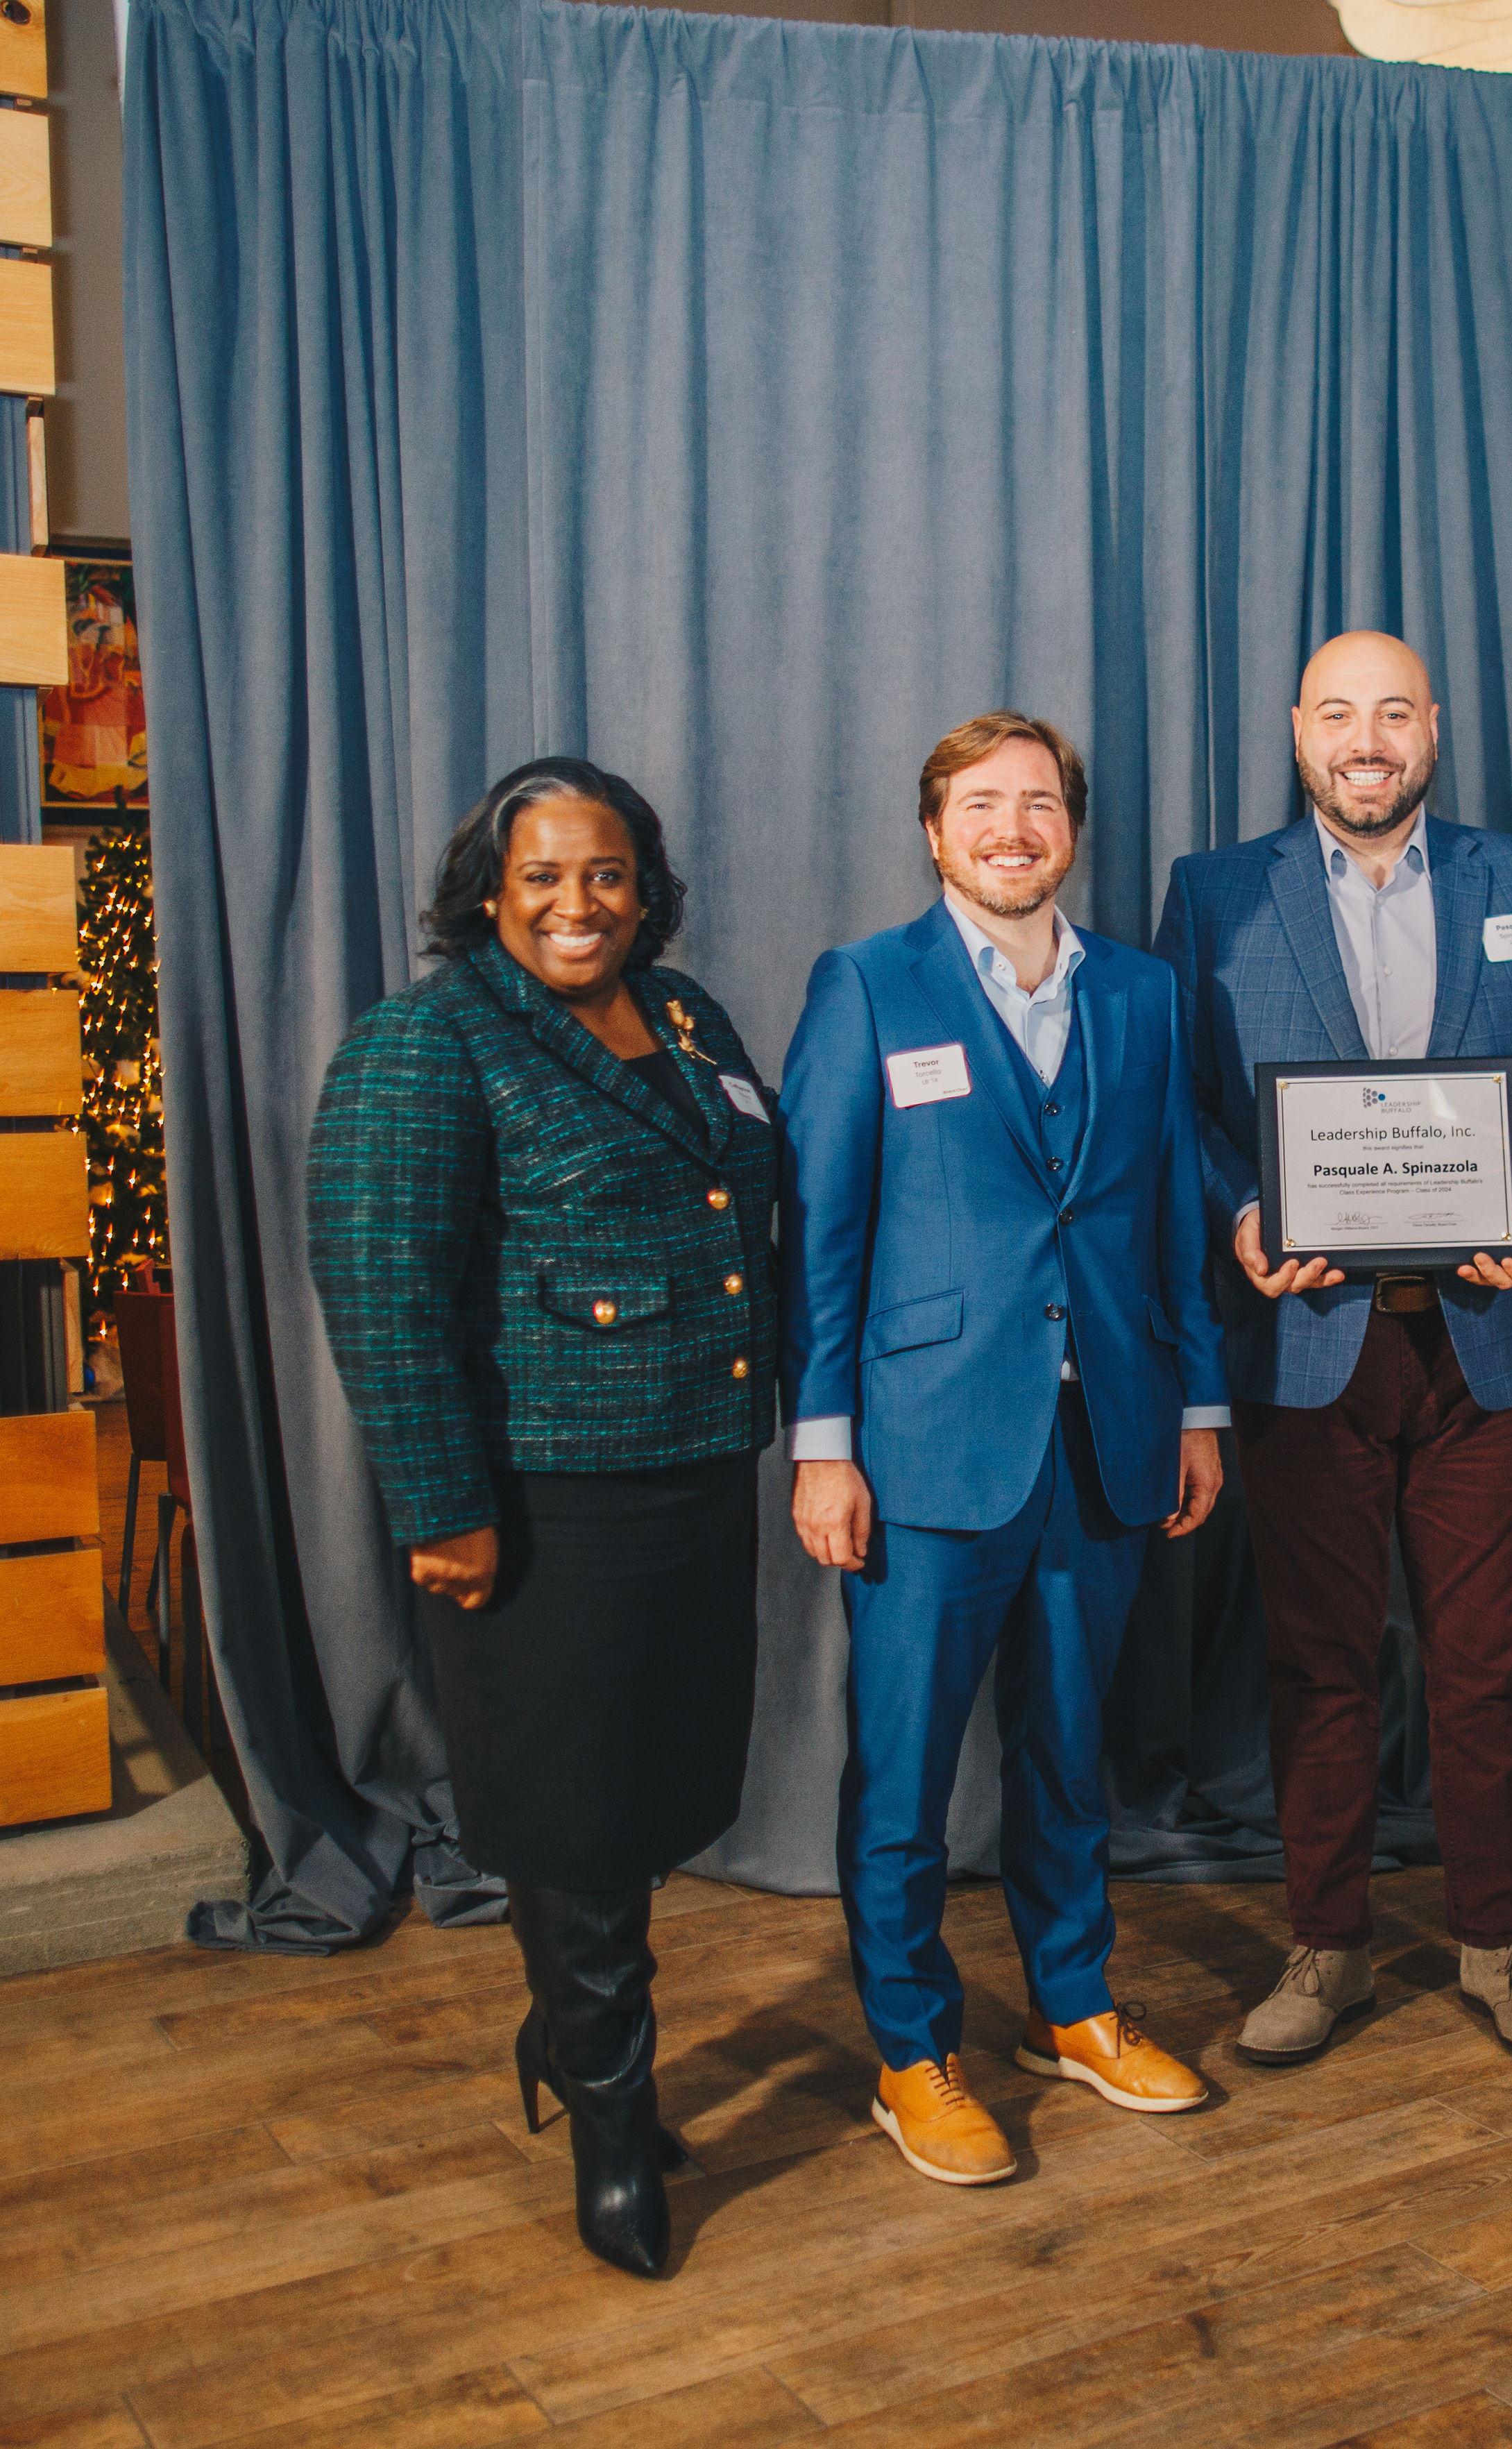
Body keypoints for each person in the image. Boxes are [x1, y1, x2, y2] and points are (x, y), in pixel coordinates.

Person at [307, 756, 779, 2276]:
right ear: (488, 892)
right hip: (543, 1500)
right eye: (544, 877)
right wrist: (444, 1507)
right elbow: (382, 1297)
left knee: (650, 1790)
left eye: (607, 874)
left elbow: (737, 1201)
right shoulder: (427, 1040)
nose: (579, 904)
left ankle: (566, 2035)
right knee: (572, 1814)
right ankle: (611, 2124)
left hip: (697, 1465)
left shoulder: (688, 1015)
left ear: (646, 888)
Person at [779, 710, 1228, 2187]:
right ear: (933, 829)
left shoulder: (1144, 994)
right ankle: (912, 2053)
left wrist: (1200, 1407)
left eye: (1038, 802)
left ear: (1071, 830)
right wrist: (823, 1443)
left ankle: (1071, 2005)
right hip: (922, 1449)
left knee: (1069, 1752)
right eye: (980, 803)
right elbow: (820, 1230)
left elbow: (1171, 1215)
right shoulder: (867, 985)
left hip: (1106, 1433)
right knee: (904, 1776)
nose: (1012, 828)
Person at [1155, 631, 1512, 2067]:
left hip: (1488, 1342)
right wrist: (1241, 1211)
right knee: (1318, 1664)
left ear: (1433, 728)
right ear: (1299, 731)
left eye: (1394, 711)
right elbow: (1186, 1106)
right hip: (1305, 1342)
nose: (1367, 739)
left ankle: (1499, 1939)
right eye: (1340, 713)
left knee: (1485, 1668)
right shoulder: (1214, 892)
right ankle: (1326, 1944)